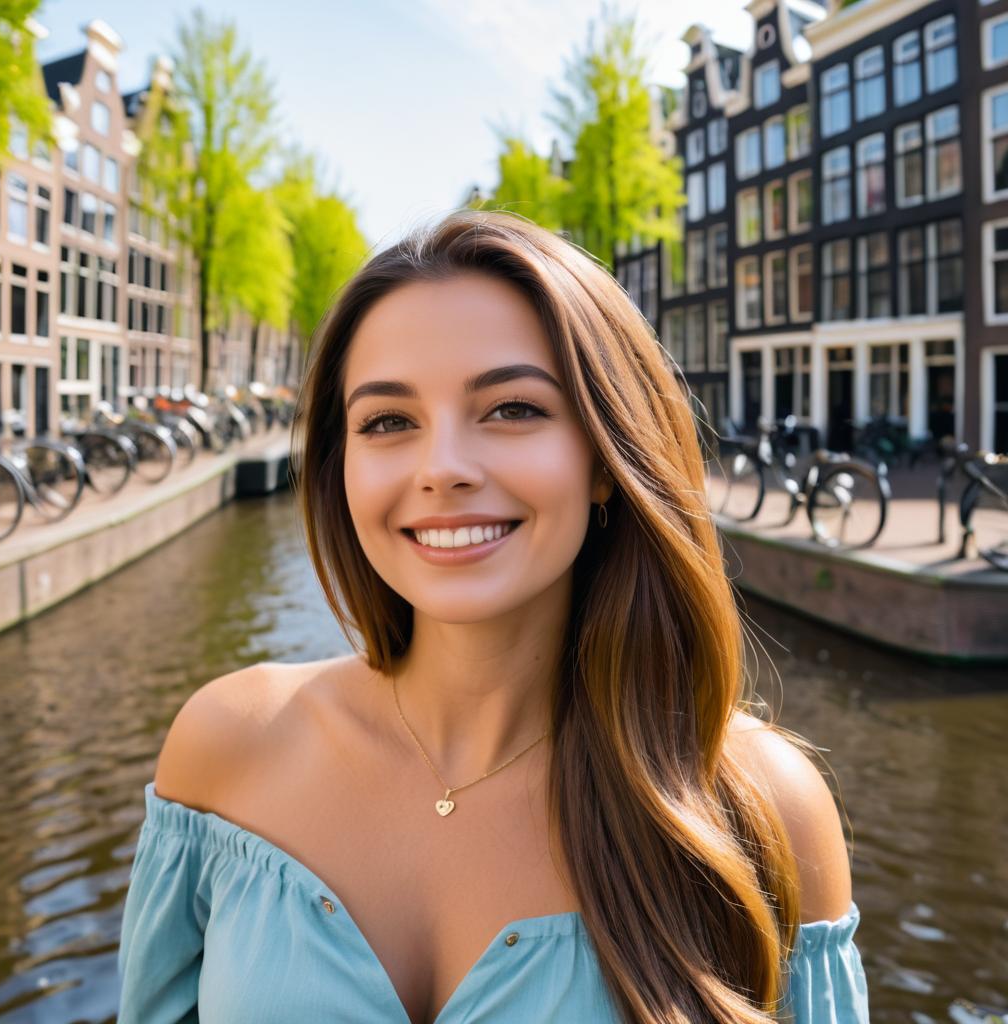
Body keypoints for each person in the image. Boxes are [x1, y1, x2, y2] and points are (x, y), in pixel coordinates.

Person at [117, 210, 870, 1023]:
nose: (442, 469)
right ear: (343, 469)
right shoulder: (225, 750)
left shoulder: (763, 808)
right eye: (389, 422)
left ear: (605, 461)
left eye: (512, 409)